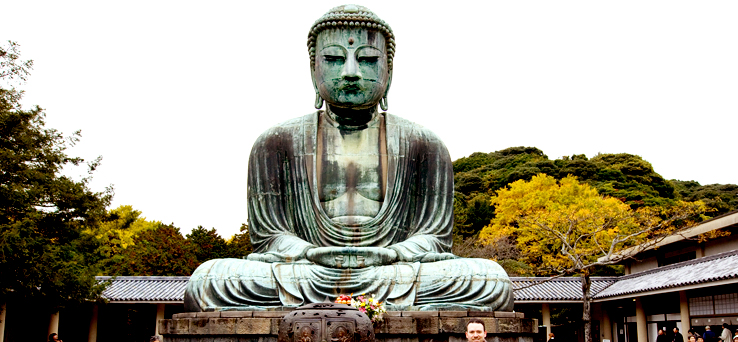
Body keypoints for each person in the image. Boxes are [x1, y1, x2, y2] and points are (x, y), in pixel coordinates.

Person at [183, 5, 513, 312]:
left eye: (368, 59)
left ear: (390, 70)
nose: (351, 72)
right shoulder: (275, 143)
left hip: (392, 272)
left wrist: (393, 253)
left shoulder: (424, 145)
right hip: (309, 271)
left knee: (490, 280)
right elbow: (270, 237)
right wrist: (308, 252)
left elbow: (435, 238)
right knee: (209, 280)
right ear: (313, 70)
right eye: (335, 59)